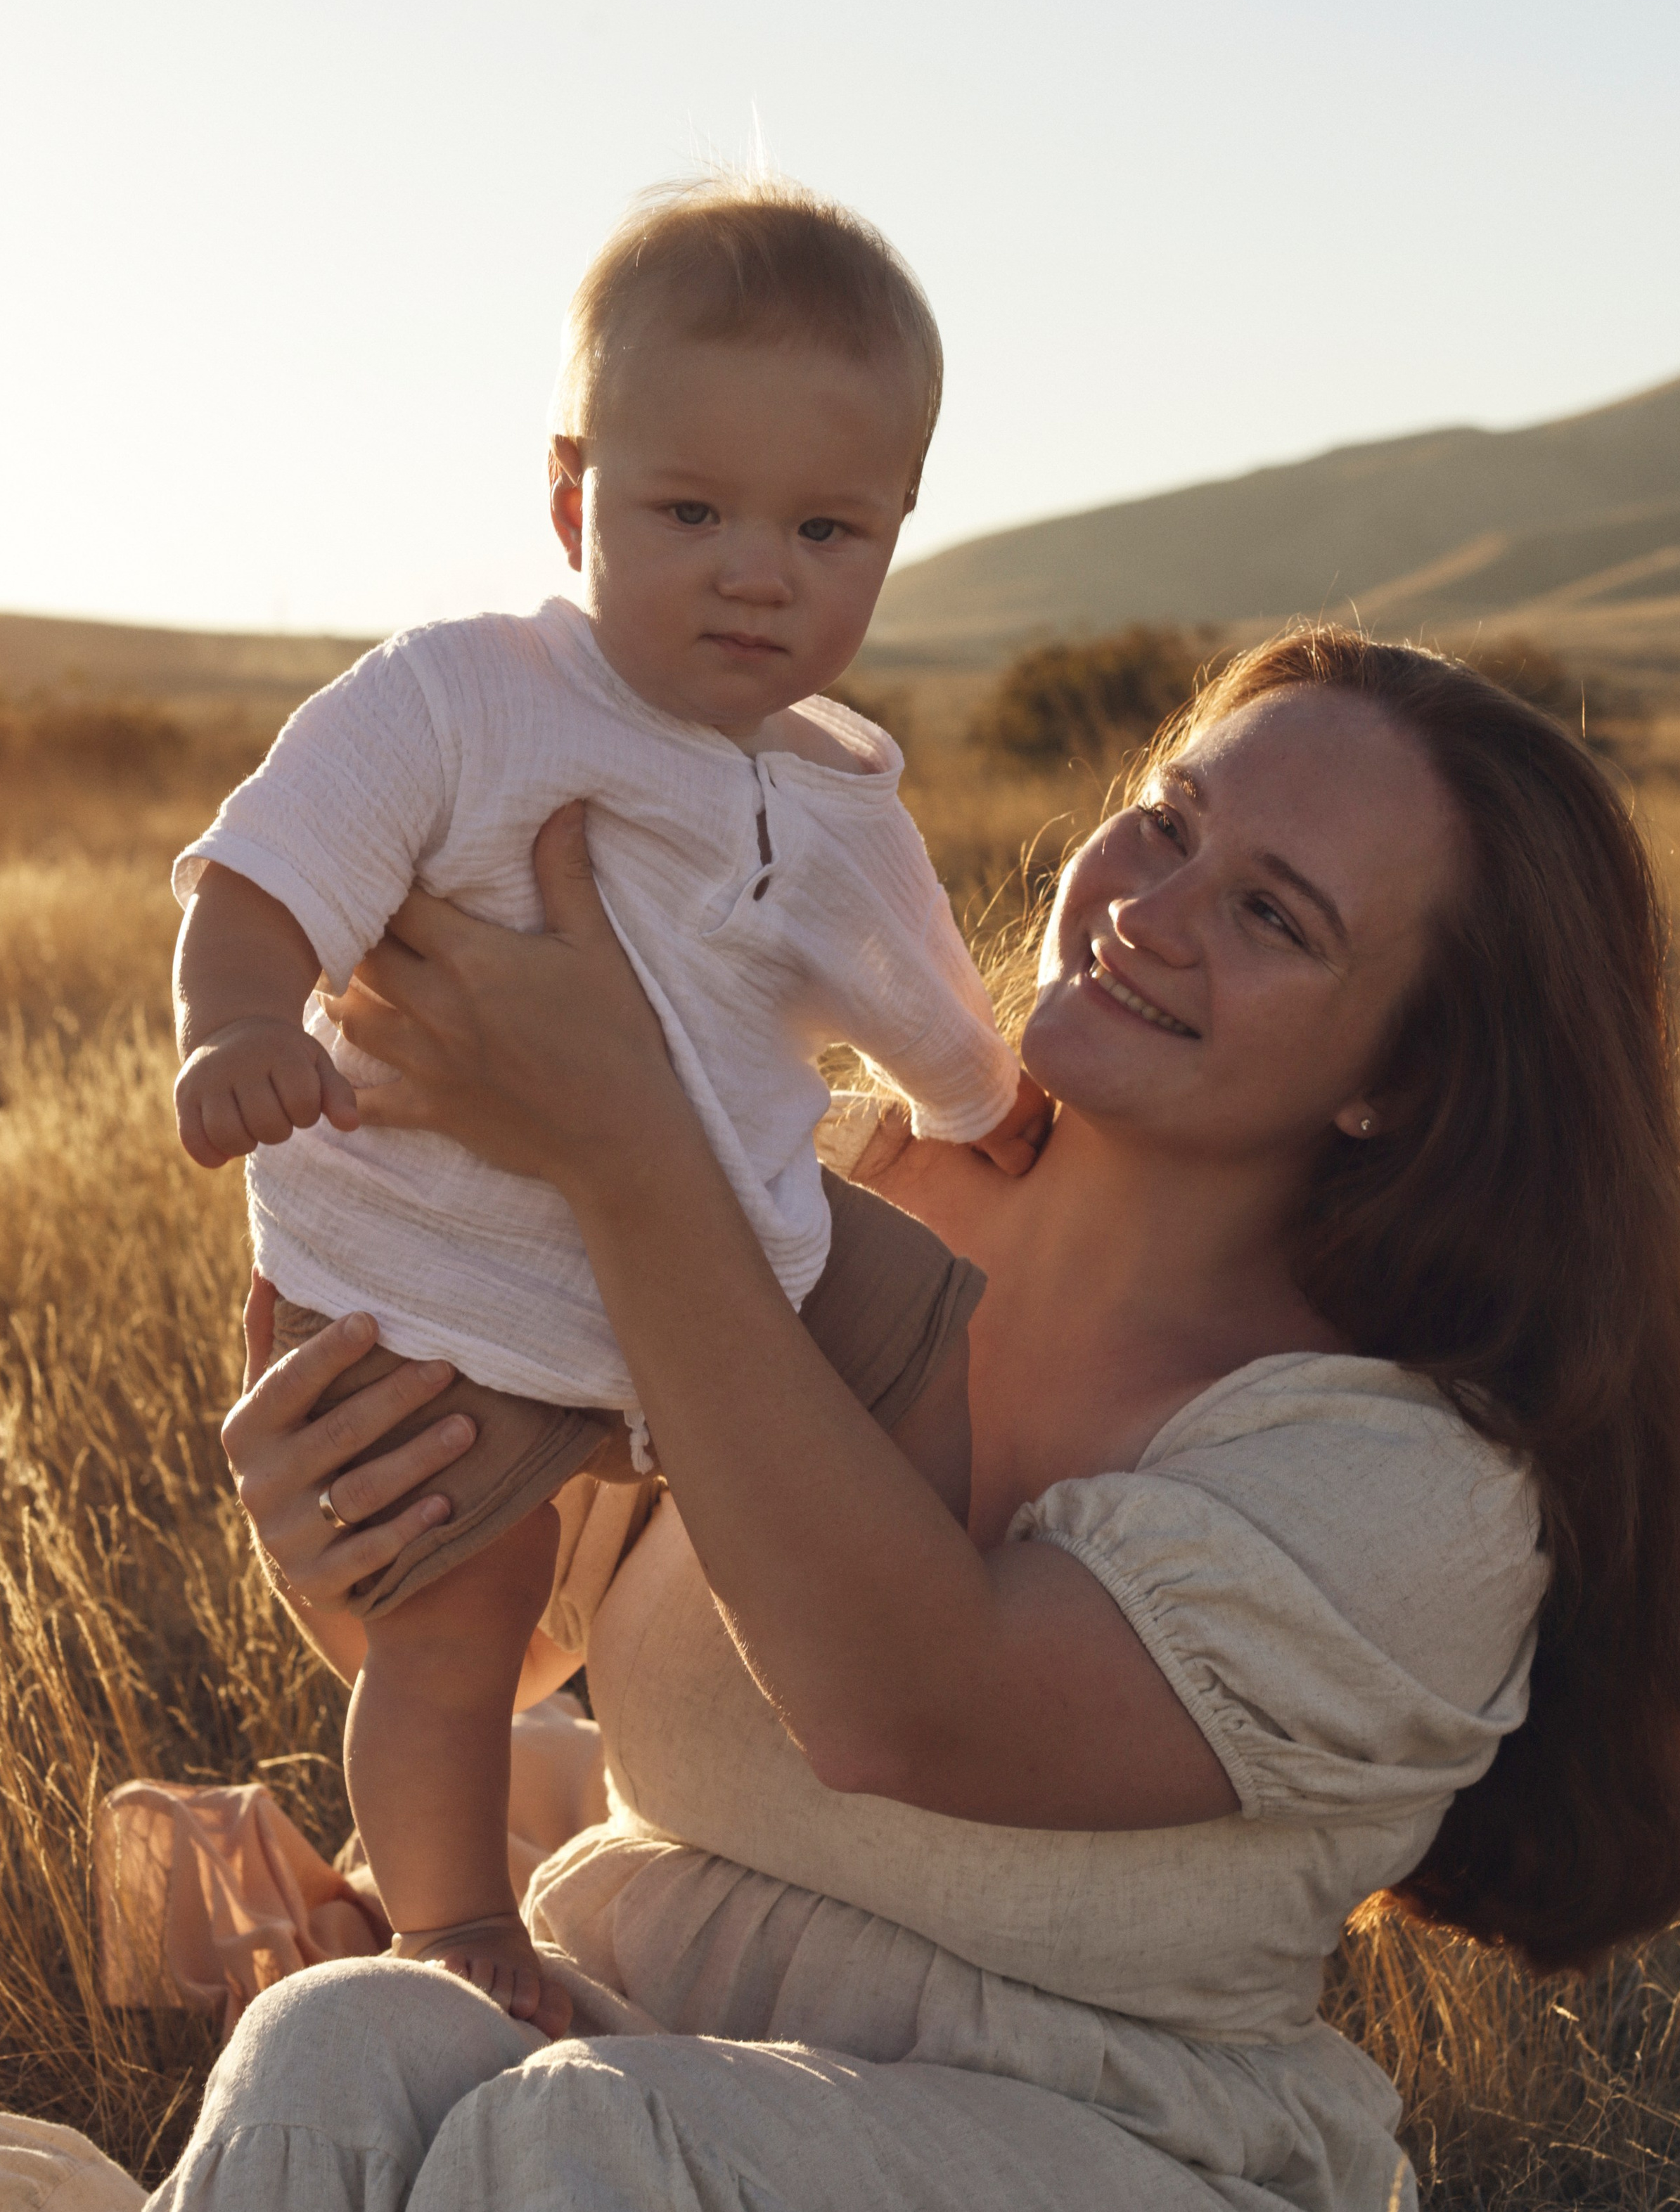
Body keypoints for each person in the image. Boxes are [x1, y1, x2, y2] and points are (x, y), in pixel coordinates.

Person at [87, 630, 1680, 2212]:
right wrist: (354, 1543)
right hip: (639, 2025)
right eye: (1164, 823)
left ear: (1403, 1072)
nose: (1149, 910)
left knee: (591, 2151)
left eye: (1271, 915)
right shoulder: (806, 1184)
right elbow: (521, 1644)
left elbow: (905, 1706)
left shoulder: (1410, 1482)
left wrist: (630, 1152)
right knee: (330, 2040)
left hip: (1094, 2175)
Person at [168, 176, 1047, 2030]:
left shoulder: (840, 802)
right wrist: (237, 1019)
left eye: (824, 528)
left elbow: (923, 1009)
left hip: (731, 1252)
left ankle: (884, 1598)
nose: (757, 571)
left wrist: (986, 1105)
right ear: (574, 501)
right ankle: (449, 1926)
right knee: (449, 1621)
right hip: (442, 1279)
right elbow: (271, 864)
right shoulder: (464, 700)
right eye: (690, 512)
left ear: (894, 535)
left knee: (920, 1314)